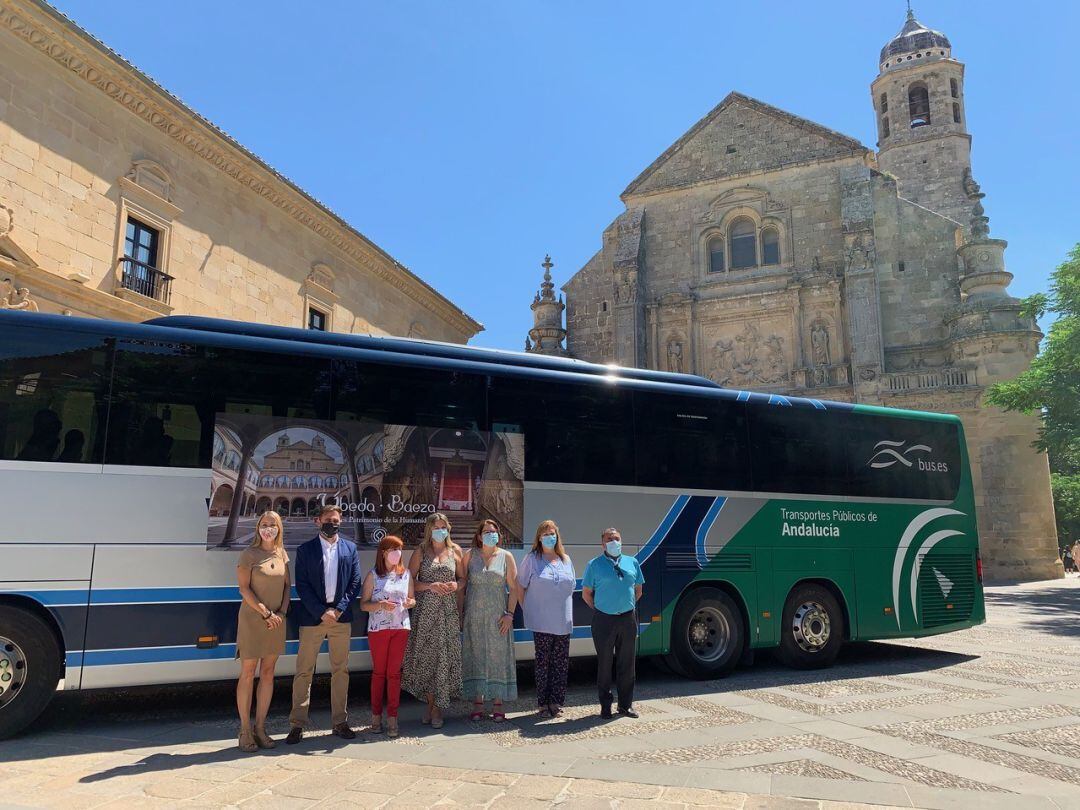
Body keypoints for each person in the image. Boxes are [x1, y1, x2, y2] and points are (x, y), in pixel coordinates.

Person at [286, 504, 362, 743]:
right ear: (318, 521)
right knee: (304, 671)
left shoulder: (350, 548)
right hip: (312, 619)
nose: (333, 523)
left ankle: (340, 722)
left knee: (341, 671)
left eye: (336, 520)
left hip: (340, 619)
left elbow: (355, 583)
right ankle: (297, 724)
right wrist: (321, 612)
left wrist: (338, 610)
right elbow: (303, 586)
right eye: (328, 519)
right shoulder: (305, 550)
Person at [401, 513, 464, 728]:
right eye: (436, 527)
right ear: (429, 529)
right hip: (426, 613)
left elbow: (463, 578)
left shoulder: (455, 551)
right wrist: (429, 586)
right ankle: (431, 705)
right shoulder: (420, 551)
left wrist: (457, 586)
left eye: (443, 527)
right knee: (428, 658)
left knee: (443, 659)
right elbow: (408, 581)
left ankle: (436, 708)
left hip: (448, 613)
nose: (440, 530)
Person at [235, 510, 290, 752]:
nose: (268, 528)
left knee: (268, 673)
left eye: (273, 525)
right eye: (264, 524)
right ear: (258, 527)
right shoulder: (249, 554)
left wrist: (280, 614)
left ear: (279, 528)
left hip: (276, 621)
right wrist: (265, 612)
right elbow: (244, 589)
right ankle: (245, 730)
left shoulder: (281, 553)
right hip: (253, 619)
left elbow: (288, 587)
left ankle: (260, 728)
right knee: (248, 673)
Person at [582, 527, 644, 719]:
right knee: (605, 664)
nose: (614, 542)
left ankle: (625, 705)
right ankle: (605, 706)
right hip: (604, 620)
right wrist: (602, 609)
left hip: (627, 619)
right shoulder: (594, 565)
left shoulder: (632, 562)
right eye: (609, 539)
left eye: (616, 538)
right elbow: (586, 594)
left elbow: (638, 590)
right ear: (602, 543)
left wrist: (625, 606)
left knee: (627, 663)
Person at [461, 519, 519, 721]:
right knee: (476, 655)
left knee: (497, 656)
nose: (490, 535)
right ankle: (478, 701)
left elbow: (514, 588)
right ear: (479, 536)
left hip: (498, 617)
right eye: (486, 532)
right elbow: (462, 585)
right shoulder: (469, 556)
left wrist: (510, 614)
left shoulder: (506, 556)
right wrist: (461, 613)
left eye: (493, 532)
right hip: (474, 617)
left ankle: (497, 702)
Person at [517, 520, 575, 717]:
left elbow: (571, 586)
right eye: (545, 534)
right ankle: (543, 703)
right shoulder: (532, 558)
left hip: (562, 621)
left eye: (552, 534)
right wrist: (527, 608)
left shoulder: (565, 559)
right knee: (543, 663)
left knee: (561, 663)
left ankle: (556, 702)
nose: (549, 537)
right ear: (539, 538)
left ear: (557, 537)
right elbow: (520, 586)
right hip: (541, 621)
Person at [360, 534, 415, 738]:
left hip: (400, 628)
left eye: (399, 548)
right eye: (393, 549)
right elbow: (363, 604)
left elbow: (412, 599)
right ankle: (376, 716)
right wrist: (380, 605)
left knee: (394, 674)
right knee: (379, 673)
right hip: (379, 630)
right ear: (383, 552)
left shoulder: (406, 574)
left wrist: (410, 603)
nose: (397, 553)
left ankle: (392, 717)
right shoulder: (373, 575)